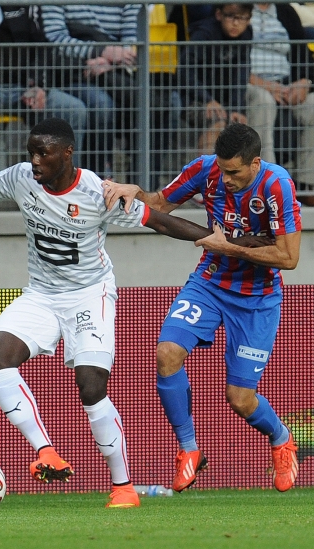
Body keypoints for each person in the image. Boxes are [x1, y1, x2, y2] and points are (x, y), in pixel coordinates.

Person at [0, 118, 217, 508]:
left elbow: (162, 222)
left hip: (89, 295)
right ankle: (46, 451)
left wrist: (218, 242)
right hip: (42, 294)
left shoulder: (98, 193)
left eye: (43, 153)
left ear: (67, 152)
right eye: (31, 152)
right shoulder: (22, 178)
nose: (34, 160)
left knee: (91, 386)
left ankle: (123, 487)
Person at [102, 123, 302, 493]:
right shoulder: (205, 168)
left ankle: (281, 438)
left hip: (257, 298)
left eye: (234, 172)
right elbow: (160, 203)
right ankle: (190, 451)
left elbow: (289, 258)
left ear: (255, 163)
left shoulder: (277, 185)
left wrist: (231, 248)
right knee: (167, 353)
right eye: (222, 170)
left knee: (240, 400)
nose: (225, 179)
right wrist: (134, 192)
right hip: (210, 283)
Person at [0, 5, 88, 212]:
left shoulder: (24, 7)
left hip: (23, 88)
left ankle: (62, 191)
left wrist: (39, 85)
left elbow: (41, 49)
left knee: (73, 108)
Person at [41, 3, 180, 189]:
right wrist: (101, 52)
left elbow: (133, 40)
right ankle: (96, 183)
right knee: (101, 103)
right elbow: (55, 37)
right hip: (74, 71)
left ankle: (141, 187)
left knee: (171, 103)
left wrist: (111, 61)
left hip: (116, 71)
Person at [248, 3, 314, 207]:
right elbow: (229, 60)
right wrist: (266, 86)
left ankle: (306, 185)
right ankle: (268, 186)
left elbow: (304, 53)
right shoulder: (237, 10)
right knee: (263, 101)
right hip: (249, 85)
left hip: (285, 84)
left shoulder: (285, 11)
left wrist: (304, 83)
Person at [179, 3, 253, 155]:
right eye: (230, 16)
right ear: (219, 15)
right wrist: (207, 99)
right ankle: (206, 176)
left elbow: (241, 73)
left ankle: (258, 175)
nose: (236, 23)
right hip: (195, 100)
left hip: (224, 101)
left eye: (242, 18)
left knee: (248, 117)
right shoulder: (204, 34)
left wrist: (236, 107)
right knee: (217, 120)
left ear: (249, 19)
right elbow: (185, 72)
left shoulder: (246, 35)